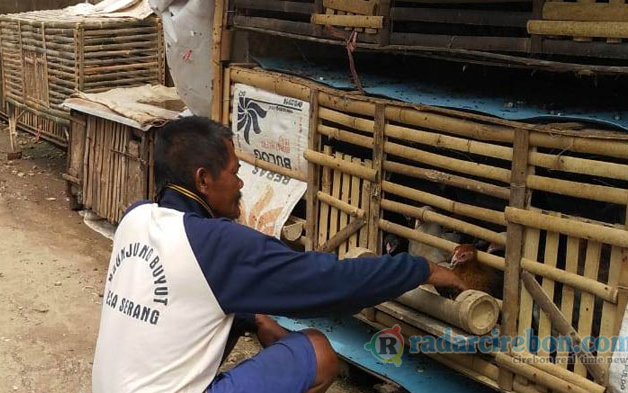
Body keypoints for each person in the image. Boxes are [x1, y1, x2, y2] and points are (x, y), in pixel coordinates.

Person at [92, 116, 468, 393]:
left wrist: (252, 318)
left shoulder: (136, 217)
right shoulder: (215, 243)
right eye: (235, 172)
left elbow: (188, 294)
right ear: (203, 180)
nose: (240, 184)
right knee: (317, 351)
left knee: (257, 320)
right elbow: (329, 282)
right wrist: (421, 269)